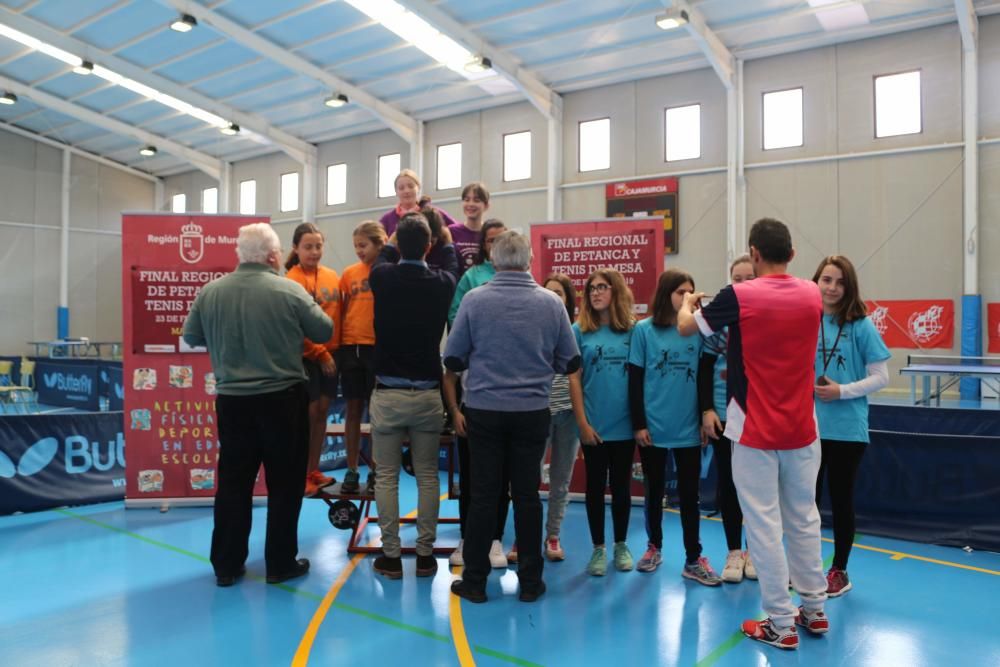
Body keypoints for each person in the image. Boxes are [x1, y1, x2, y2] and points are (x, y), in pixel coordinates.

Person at [677, 218, 829, 650]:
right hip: (803, 428)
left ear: (754, 253)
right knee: (805, 519)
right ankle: (814, 610)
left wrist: (689, 302)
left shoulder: (738, 295)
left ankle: (780, 622)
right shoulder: (813, 294)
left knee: (763, 525)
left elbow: (687, 327)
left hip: (753, 428)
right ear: (793, 254)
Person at [182, 222, 332, 587]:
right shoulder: (289, 290)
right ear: (273, 256)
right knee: (284, 483)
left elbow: (190, 336)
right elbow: (324, 331)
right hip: (282, 400)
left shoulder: (211, 292)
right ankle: (280, 563)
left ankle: (227, 565)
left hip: (233, 401)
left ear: (240, 254)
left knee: (234, 483)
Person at [445, 231, 580, 604]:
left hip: (484, 411)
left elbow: (453, 359)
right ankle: (531, 583)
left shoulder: (473, 301)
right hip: (531, 412)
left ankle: (474, 581)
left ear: (493, 258)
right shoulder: (551, 303)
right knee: (527, 496)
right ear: (529, 261)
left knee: (484, 497)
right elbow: (569, 361)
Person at [369, 213, 457, 579]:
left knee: (387, 475)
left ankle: (390, 556)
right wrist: (444, 236)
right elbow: (452, 258)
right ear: (430, 246)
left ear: (394, 243)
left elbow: (383, 257)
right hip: (426, 395)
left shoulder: (382, 277)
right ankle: (424, 556)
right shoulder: (442, 283)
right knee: (426, 476)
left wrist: (393, 237)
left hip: (387, 394)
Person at [629, 269, 721, 585]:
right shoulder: (643, 331)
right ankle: (653, 547)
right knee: (654, 492)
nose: (686, 297)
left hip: (688, 429)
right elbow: (636, 379)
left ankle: (693, 558)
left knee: (689, 495)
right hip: (653, 427)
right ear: (667, 293)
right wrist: (639, 423)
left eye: (690, 292)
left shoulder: (699, 330)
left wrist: (702, 419)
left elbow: (706, 376)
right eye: (680, 291)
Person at [812, 255, 890, 597]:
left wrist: (841, 391)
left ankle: (839, 570)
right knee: (805, 502)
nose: (832, 287)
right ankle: (806, 567)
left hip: (846, 430)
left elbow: (880, 377)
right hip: (807, 428)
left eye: (839, 282)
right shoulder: (806, 319)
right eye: (826, 280)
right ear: (815, 281)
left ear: (849, 287)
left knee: (841, 500)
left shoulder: (861, 324)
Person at [446, 218, 512, 569]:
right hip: (476, 387)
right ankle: (467, 537)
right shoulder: (471, 279)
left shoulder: (521, 279)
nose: (495, 244)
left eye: (501, 239)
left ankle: (496, 540)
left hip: (512, 393)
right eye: (489, 240)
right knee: (472, 474)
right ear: (483, 245)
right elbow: (457, 318)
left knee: (502, 477)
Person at [569, 269, 636, 577]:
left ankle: (621, 544)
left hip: (625, 425)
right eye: (591, 288)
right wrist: (582, 422)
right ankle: (598, 548)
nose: (595, 293)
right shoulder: (579, 330)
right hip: (593, 426)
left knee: (621, 488)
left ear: (616, 292)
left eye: (602, 287)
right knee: (595, 488)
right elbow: (574, 379)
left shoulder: (633, 332)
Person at [698, 255, 757, 583]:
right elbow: (704, 367)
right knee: (729, 484)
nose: (744, 283)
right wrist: (707, 410)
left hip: (757, 417)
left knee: (756, 488)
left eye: (750, 277)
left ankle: (756, 551)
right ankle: (734, 551)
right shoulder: (720, 320)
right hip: (723, 416)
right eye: (738, 278)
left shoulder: (764, 319)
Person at [284, 222, 341, 498]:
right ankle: (299, 475)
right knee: (307, 418)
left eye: (318, 246)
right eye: (308, 246)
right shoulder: (290, 280)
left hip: (332, 357)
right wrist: (321, 353)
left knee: (321, 417)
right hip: (306, 358)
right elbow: (294, 325)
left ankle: (313, 470)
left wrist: (334, 351)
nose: (314, 251)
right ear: (295, 248)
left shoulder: (331, 276)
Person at [337, 221, 387, 494]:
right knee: (353, 410)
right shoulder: (348, 274)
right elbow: (342, 308)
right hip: (350, 346)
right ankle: (352, 469)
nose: (359, 250)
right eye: (356, 245)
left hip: (375, 348)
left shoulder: (386, 272)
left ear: (379, 244)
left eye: (363, 245)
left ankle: (376, 468)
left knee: (377, 412)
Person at [539, 273, 580, 561]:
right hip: (537, 414)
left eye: (559, 293)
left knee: (560, 480)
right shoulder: (535, 328)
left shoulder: (576, 331)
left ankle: (552, 536)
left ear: (568, 299)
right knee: (527, 480)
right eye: (548, 291)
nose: (554, 296)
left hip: (568, 416)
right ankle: (522, 538)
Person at [379, 169, 458, 238]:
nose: (406, 191)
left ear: (418, 188)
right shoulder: (386, 219)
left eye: (411, 186)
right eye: (401, 188)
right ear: (396, 191)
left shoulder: (434, 213)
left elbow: (458, 231)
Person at [449, 182, 490, 275]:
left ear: (486, 205)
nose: (470, 204)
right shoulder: (451, 232)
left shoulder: (490, 232)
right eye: (467, 200)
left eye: (476, 200)